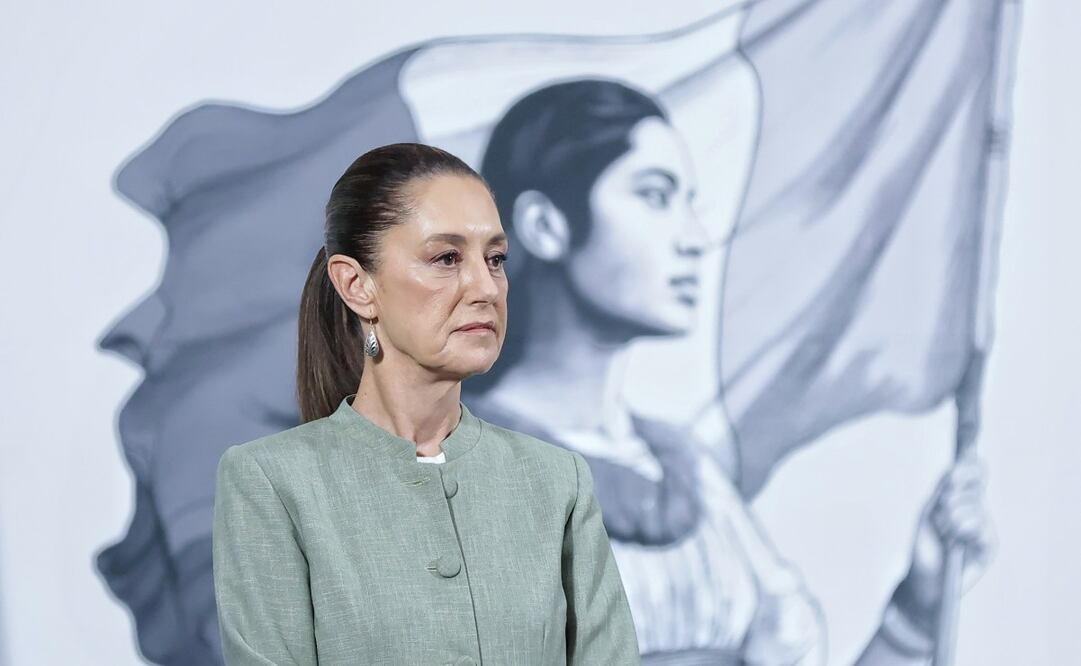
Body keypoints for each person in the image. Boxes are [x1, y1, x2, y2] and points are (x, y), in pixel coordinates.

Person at [461, 79, 994, 664]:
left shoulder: (691, 475)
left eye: (690, 202)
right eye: (656, 196)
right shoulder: (463, 473)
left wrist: (916, 610)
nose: (693, 238)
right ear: (545, 224)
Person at [211, 142, 642, 665]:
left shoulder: (556, 480)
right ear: (356, 285)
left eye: (496, 259)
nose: (486, 287)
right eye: (446, 258)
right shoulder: (271, 482)